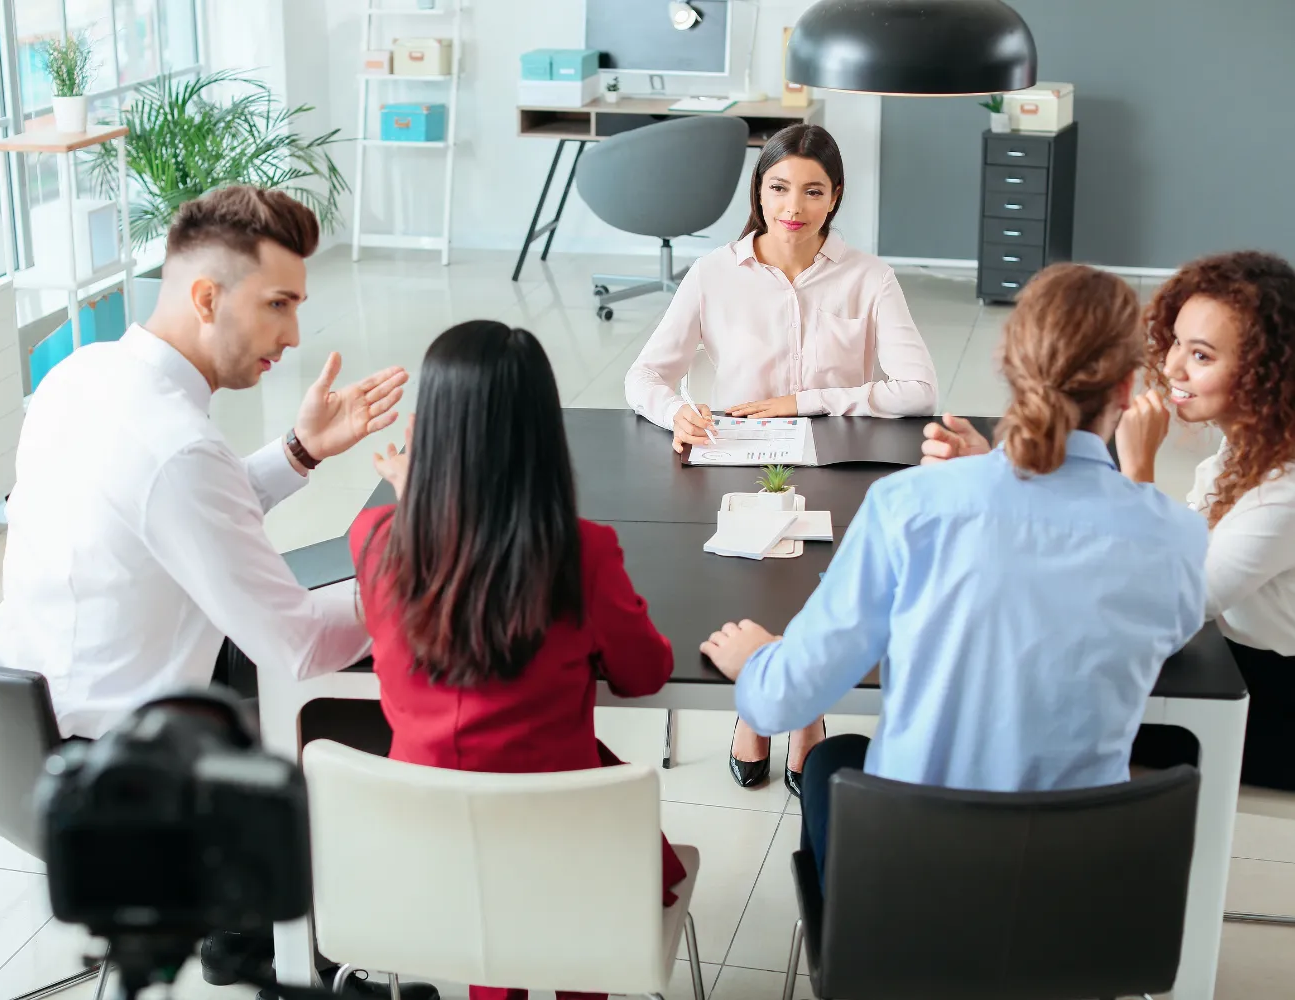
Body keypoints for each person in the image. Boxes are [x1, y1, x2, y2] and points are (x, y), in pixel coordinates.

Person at [0, 186, 432, 998]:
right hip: (118, 768)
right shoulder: (176, 444)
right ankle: (310, 942)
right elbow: (297, 641)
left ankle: (247, 936)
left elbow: (169, 519)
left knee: (260, 654)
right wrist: (420, 577)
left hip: (12, 727)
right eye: (278, 304)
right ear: (205, 297)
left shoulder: (84, 374)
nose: (294, 335)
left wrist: (298, 451)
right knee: (359, 692)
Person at [700, 264, 1207, 886]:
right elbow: (1165, 634)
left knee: (834, 758)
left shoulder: (911, 505)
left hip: (916, 890)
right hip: (1078, 902)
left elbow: (783, 701)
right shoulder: (1176, 536)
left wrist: (758, 661)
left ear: (1008, 364)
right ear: (1129, 389)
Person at [352, 320, 688, 1000]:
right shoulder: (582, 553)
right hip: (561, 850)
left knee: (506, 879)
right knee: (579, 833)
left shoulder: (376, 541)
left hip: (424, 846)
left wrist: (410, 490)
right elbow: (645, 674)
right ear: (542, 433)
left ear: (432, 431)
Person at [623, 122, 939, 796]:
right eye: (778, 187)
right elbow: (643, 377)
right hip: (737, 462)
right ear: (759, 192)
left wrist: (804, 399)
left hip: (836, 461)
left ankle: (801, 710)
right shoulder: (714, 274)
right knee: (749, 581)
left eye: (812, 191)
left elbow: (919, 390)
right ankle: (762, 703)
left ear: (836, 198)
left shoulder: (868, 276)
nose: (792, 205)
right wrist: (676, 410)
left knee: (821, 585)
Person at [929, 252, 1295, 790]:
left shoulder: (1282, 491)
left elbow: (1156, 599)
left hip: (1269, 697)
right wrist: (996, 474)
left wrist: (1138, 467)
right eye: (1176, 343)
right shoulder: (1244, 448)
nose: (1172, 368)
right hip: (1219, 649)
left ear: (1265, 371)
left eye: (1201, 355)